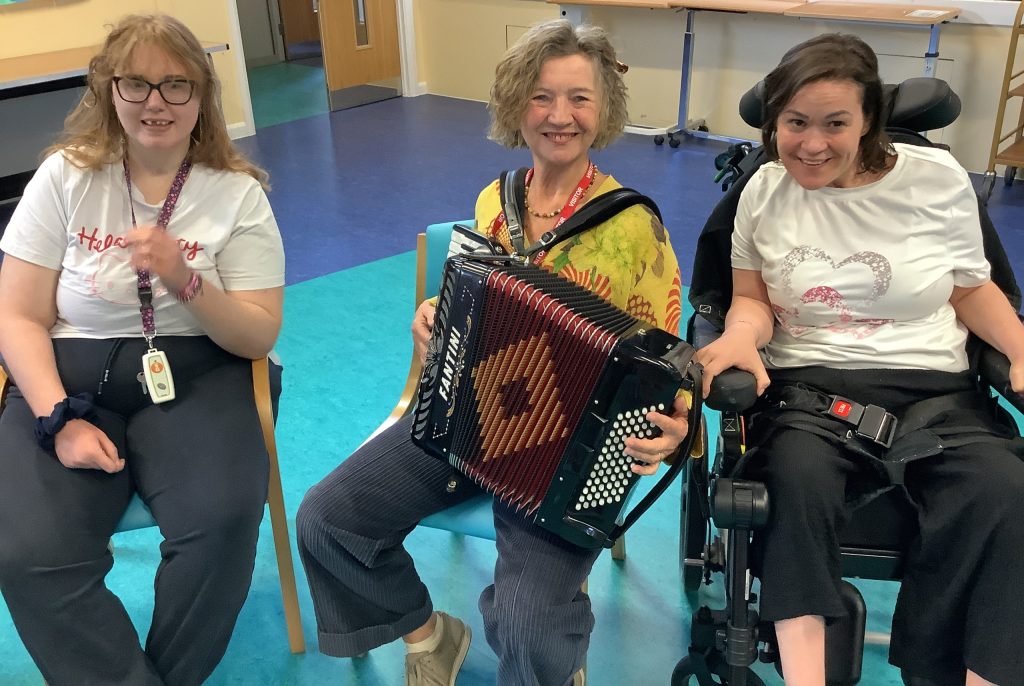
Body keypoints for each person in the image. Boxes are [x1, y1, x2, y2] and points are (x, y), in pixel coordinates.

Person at [297, 19, 689, 686]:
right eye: (541, 96)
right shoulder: (495, 202)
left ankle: (553, 664)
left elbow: (668, 360)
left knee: (528, 622)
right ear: (516, 104)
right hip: (473, 418)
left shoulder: (633, 227)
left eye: (579, 98)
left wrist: (675, 423)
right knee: (326, 519)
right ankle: (429, 633)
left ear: (604, 111)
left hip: (570, 452)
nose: (559, 116)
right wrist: (435, 318)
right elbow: (474, 306)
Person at [694, 33, 1024, 686]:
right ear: (774, 122)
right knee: (795, 477)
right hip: (811, 392)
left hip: (938, 390)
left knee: (1005, 491)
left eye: (835, 123)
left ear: (869, 118)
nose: (812, 144)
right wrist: (739, 334)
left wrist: (1018, 345)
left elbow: (969, 286)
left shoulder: (936, 179)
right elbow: (752, 301)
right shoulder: (762, 192)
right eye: (795, 123)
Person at [0, 14, 284, 686]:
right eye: (136, 83)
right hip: (67, 381)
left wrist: (185, 279)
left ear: (201, 98)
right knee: (27, 551)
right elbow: (15, 316)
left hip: (198, 375)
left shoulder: (236, 193)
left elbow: (256, 334)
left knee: (218, 526)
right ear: (109, 90)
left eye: (176, 85)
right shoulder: (65, 178)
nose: (155, 101)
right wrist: (56, 419)